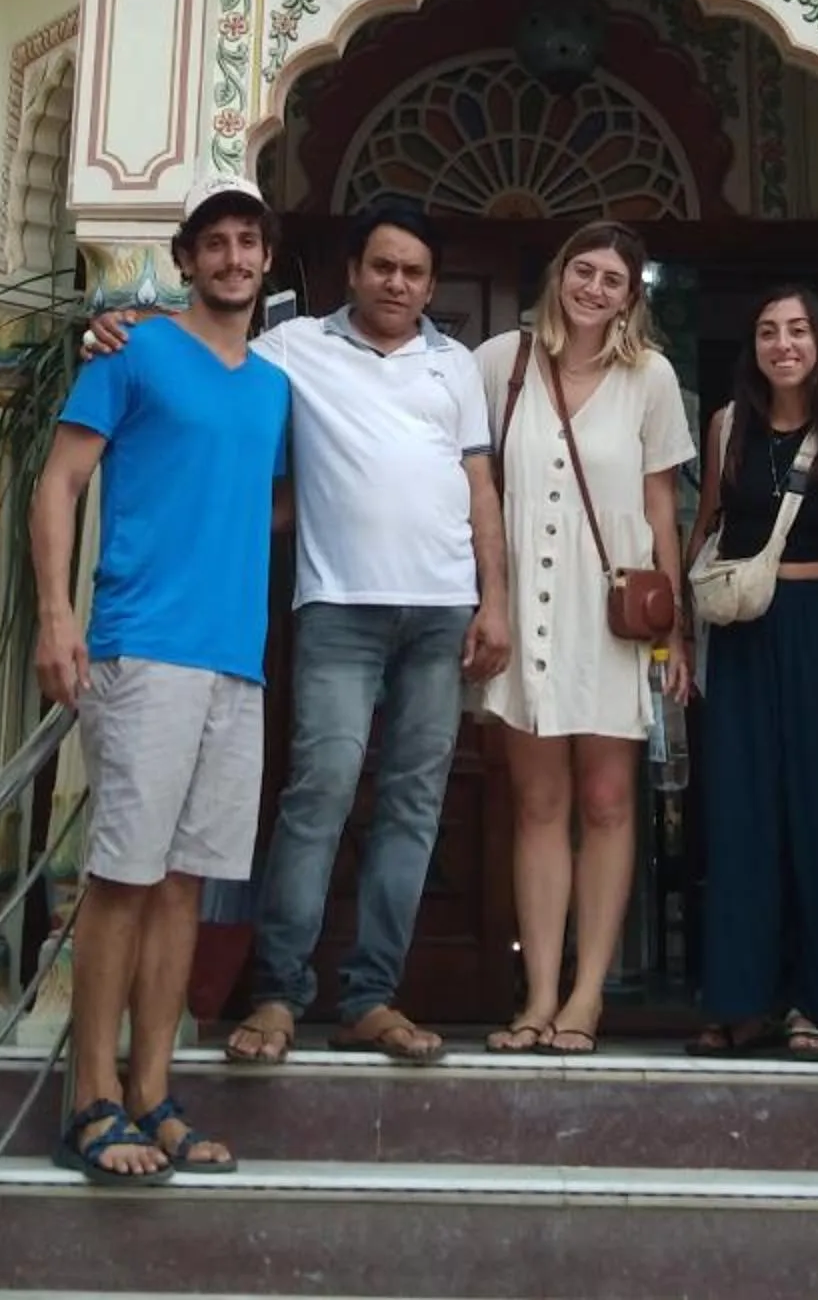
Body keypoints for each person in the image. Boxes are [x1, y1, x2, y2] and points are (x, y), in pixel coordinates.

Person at [86, 196, 510, 1067]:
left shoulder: (455, 365)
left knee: (413, 805)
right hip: (339, 609)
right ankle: (279, 994)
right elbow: (205, 344)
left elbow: (478, 484)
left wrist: (492, 598)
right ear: (352, 272)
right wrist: (119, 323)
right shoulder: (292, 350)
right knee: (318, 794)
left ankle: (372, 998)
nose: (398, 283)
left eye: (415, 272)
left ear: (432, 285)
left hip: (441, 611)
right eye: (383, 266)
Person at [30, 173, 291, 1184]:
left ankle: (153, 1093)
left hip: (236, 660)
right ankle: (89, 1096)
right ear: (186, 259)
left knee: (185, 885)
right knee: (124, 878)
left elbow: (262, 501)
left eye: (249, 243)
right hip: (141, 647)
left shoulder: (271, 384)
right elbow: (58, 482)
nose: (233, 258)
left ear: (267, 260)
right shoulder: (131, 351)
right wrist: (59, 618)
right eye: (214, 243)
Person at [475, 220, 696, 1057]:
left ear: (632, 296)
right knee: (537, 803)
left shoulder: (652, 377)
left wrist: (673, 631)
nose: (595, 289)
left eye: (613, 279)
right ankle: (536, 993)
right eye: (583, 271)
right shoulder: (503, 362)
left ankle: (588, 993)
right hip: (528, 601)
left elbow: (660, 507)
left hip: (612, 615)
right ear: (558, 275)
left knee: (606, 802)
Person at [683, 286, 818, 1060]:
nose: (784, 344)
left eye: (799, 330)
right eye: (769, 330)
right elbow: (706, 527)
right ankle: (740, 1001)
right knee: (741, 815)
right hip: (744, 634)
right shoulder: (728, 427)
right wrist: (678, 631)